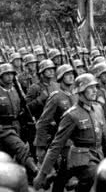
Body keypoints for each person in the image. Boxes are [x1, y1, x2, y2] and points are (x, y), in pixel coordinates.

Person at [34, 73, 106, 192]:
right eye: (90, 87)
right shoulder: (72, 115)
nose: (94, 90)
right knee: (94, 176)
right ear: (81, 90)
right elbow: (56, 145)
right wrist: (42, 174)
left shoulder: (98, 109)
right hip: (80, 158)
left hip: (97, 154)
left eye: (95, 87)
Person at [34, 64, 78, 192]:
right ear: (60, 77)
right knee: (66, 175)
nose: (71, 76)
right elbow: (42, 122)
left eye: (72, 74)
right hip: (62, 142)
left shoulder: (76, 95)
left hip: (76, 141)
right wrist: (40, 146)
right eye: (67, 74)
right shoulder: (56, 96)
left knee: (67, 176)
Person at [0, 63, 39, 178]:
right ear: (0, 77)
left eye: (11, 74)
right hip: (3, 128)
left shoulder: (16, 92)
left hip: (17, 126)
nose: (9, 77)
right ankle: (36, 171)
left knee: (11, 157)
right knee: (21, 148)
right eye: (6, 74)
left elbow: (21, 110)